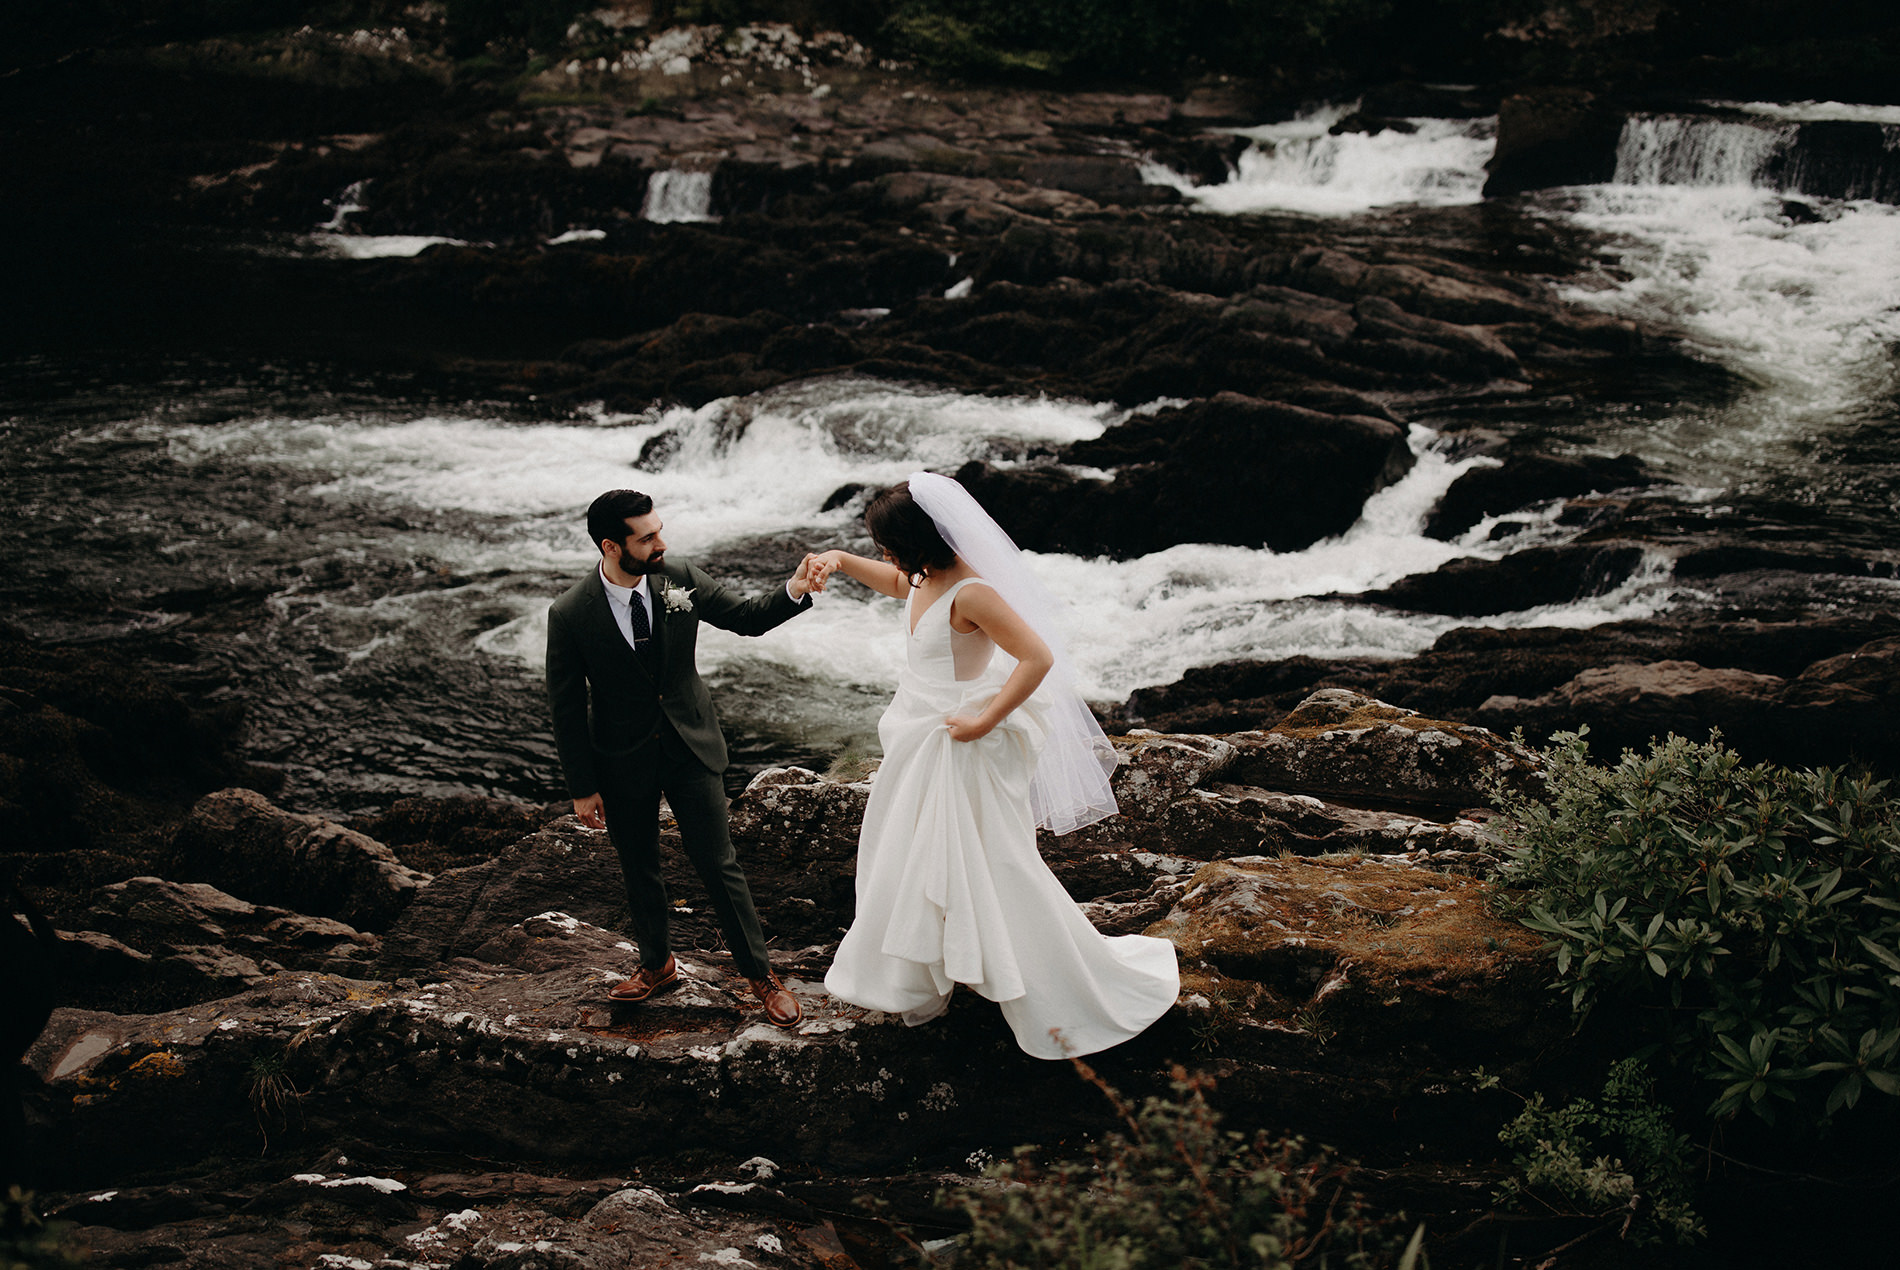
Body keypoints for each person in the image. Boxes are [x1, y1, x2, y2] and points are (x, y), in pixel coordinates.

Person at [809, 473, 1178, 1059]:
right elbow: (894, 583)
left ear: (919, 540)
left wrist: (984, 721)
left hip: (961, 743)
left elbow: (1037, 658)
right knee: (911, 851)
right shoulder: (924, 575)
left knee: (992, 863)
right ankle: (936, 968)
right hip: (919, 737)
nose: (884, 555)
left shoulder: (971, 592)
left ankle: (1055, 984)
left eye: (888, 543)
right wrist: (838, 558)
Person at [546, 489, 820, 1028]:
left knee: (719, 863)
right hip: (621, 758)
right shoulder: (570, 613)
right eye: (647, 537)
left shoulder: (679, 578)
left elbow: (746, 618)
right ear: (610, 546)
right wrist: (581, 785)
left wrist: (795, 588)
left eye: (659, 530)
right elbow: (566, 707)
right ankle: (657, 965)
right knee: (638, 866)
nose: (661, 543)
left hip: (691, 744)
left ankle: (761, 976)